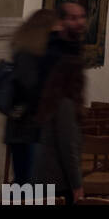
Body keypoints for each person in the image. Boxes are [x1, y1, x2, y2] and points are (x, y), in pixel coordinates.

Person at [5, 9, 57, 183]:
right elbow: (30, 89)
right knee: (29, 182)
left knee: (25, 180)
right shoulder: (29, 56)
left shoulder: (25, 53)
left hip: (23, 128)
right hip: (29, 129)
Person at [36, 51, 86, 205]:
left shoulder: (46, 100)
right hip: (57, 182)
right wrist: (77, 185)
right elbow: (68, 148)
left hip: (40, 178)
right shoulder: (65, 104)